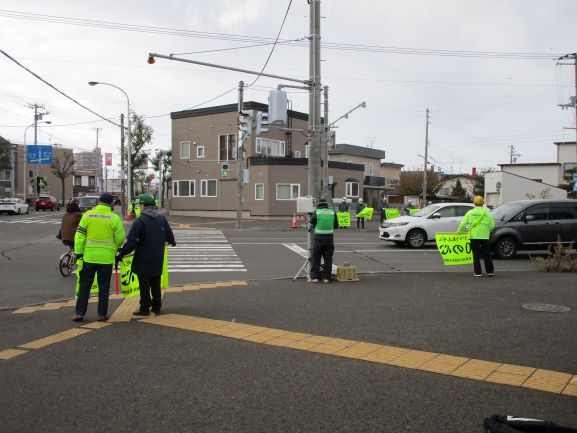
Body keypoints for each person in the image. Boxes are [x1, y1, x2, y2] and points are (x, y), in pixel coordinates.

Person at [117, 194, 176, 316]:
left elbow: (131, 240)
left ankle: (144, 308)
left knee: (144, 284)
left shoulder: (140, 220)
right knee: (155, 281)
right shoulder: (161, 219)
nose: (139, 206)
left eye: (140, 204)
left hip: (143, 257)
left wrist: (122, 253)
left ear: (143, 205)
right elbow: (169, 234)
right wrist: (172, 241)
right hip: (157, 256)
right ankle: (156, 306)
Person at [73, 193, 125, 322]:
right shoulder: (114, 218)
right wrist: (115, 248)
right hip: (106, 258)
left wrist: (78, 252)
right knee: (104, 286)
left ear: (99, 202)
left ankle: (79, 313)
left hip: (89, 257)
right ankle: (101, 314)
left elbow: (79, 236)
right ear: (111, 203)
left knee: (85, 285)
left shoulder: (87, 215)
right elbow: (120, 237)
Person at [458, 195, 495, 277]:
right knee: (487, 254)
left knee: (476, 254)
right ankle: (490, 271)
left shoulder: (470, 212)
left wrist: (459, 231)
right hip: (485, 237)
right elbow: (492, 225)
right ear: (483, 203)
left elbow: (463, 224)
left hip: (474, 236)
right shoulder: (487, 213)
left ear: (474, 203)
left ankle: (478, 272)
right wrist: (487, 231)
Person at [309, 198, 338, 283]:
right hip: (329, 239)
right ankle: (327, 278)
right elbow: (336, 226)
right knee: (328, 259)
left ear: (319, 205)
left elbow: (312, 224)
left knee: (316, 257)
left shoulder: (317, 212)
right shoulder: (332, 212)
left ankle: (315, 277)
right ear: (326, 205)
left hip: (318, 239)